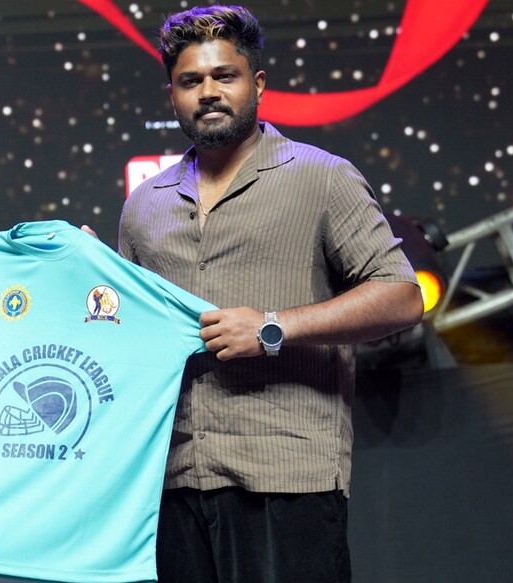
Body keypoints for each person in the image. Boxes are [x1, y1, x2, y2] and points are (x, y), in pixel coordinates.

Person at [118, 6, 424, 582]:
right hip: (174, 478)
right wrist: (81, 279)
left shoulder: (321, 176)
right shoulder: (146, 204)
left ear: (257, 84)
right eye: (191, 81)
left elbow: (402, 295)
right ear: (172, 94)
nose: (208, 92)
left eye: (224, 76)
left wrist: (271, 327)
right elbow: (130, 335)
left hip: (287, 474)